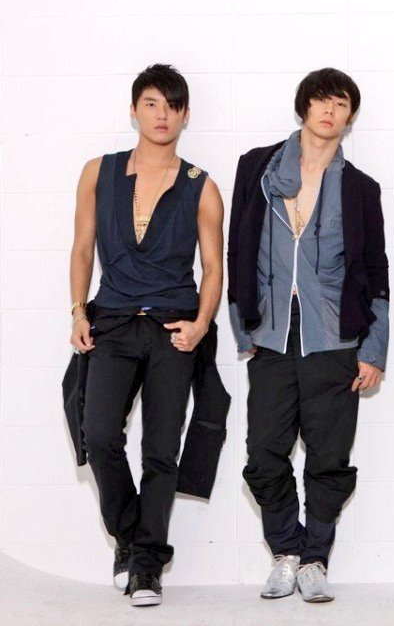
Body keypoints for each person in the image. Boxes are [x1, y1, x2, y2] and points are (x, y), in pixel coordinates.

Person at [228, 68, 388, 603]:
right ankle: (285, 552)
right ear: (304, 106)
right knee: (263, 454)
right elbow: (238, 249)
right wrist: (243, 326)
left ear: (349, 116)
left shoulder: (361, 188)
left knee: (329, 458)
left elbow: (377, 271)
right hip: (272, 337)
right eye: (321, 100)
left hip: (335, 340)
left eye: (341, 104)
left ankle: (315, 557)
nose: (329, 111)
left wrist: (373, 350)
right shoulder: (258, 168)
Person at [68, 64, 224, 606]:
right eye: (152, 103)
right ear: (134, 109)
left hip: (172, 328)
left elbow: (214, 267)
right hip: (111, 322)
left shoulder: (202, 186)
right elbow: (82, 247)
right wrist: (78, 312)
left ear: (185, 115)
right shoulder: (99, 172)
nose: (162, 115)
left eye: (173, 106)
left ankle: (146, 566)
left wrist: (200, 325)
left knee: (161, 449)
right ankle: (132, 538)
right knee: (99, 434)